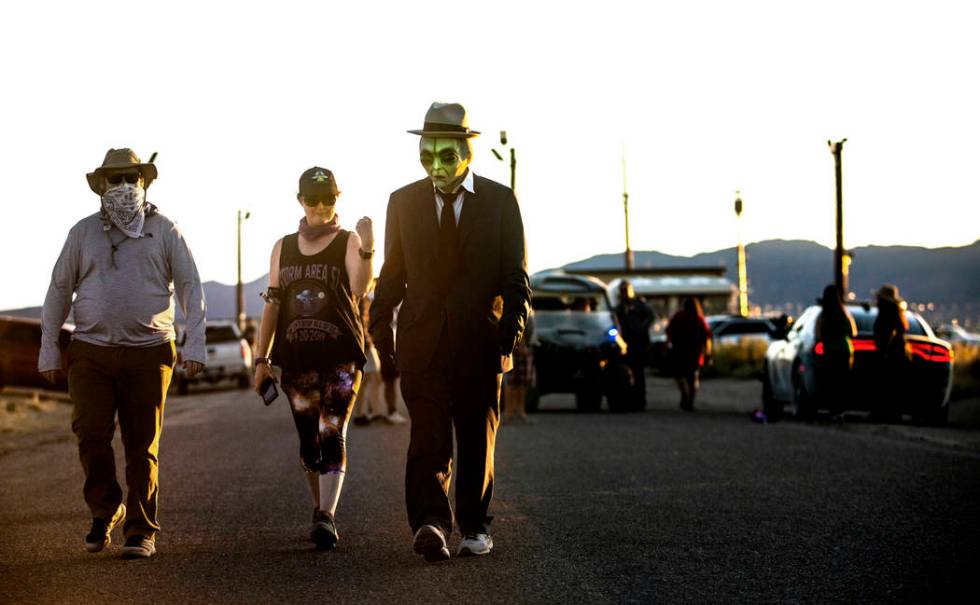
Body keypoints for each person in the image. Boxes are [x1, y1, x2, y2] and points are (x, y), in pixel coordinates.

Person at [369, 102, 530, 562]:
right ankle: (431, 523)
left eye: (445, 155)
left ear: (466, 152)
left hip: (482, 342)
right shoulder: (402, 202)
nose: (435, 166)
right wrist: (381, 334)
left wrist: (509, 335)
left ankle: (475, 527)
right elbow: (393, 274)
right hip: (421, 344)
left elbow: (515, 276)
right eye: (426, 155)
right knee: (428, 438)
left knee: (477, 438)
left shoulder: (500, 201)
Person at [38, 148, 206, 559]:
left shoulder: (166, 230)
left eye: (132, 177)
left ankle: (140, 530)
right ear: (101, 186)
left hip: (149, 353)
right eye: (116, 179)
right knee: (90, 434)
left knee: (141, 445)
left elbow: (190, 287)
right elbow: (59, 289)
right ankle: (106, 507)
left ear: (144, 182)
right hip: (90, 352)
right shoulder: (82, 233)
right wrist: (48, 351)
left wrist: (194, 345)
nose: (125, 186)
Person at [252, 167, 374, 550]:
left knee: (331, 430)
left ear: (337, 198)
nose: (321, 206)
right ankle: (320, 506)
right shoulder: (283, 246)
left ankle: (326, 517)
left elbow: (359, 288)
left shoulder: (349, 241)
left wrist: (368, 247)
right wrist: (260, 359)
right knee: (309, 442)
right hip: (296, 357)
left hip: (340, 356)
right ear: (300, 200)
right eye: (313, 199)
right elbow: (273, 305)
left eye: (329, 199)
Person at [814, 285, 857, 416]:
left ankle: (833, 410)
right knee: (842, 381)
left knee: (831, 381)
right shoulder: (844, 313)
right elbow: (852, 332)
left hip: (830, 352)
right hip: (844, 351)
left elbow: (818, 335)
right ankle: (841, 410)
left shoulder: (823, 315)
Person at [665, 297, 712, 411]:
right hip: (694, 352)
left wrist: (667, 346)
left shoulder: (679, 317)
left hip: (680, 351)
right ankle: (689, 399)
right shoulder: (699, 319)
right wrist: (708, 353)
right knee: (692, 377)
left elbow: (669, 333)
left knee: (679, 376)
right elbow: (707, 337)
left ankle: (685, 394)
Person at [614, 280, 655, 410]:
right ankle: (628, 400)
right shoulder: (619, 307)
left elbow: (651, 316)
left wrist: (641, 328)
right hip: (624, 343)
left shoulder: (639, 305)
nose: (624, 293)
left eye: (626, 290)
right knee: (625, 373)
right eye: (622, 290)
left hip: (638, 343)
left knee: (639, 373)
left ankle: (640, 401)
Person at [872, 284, 909, 421]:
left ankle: (882, 413)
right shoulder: (898, 316)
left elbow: (886, 336)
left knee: (884, 383)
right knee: (894, 384)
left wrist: (883, 352)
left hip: (889, 354)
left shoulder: (886, 315)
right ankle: (894, 413)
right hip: (897, 354)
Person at [352, 291, 383, 425]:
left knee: (370, 378)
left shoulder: (364, 298)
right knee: (365, 380)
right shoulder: (357, 298)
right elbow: (358, 323)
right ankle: (361, 413)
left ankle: (370, 411)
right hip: (363, 344)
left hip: (366, 343)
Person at [502, 310, 535, 424]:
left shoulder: (529, 311)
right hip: (512, 350)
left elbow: (529, 329)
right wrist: (520, 345)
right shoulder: (513, 305)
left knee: (522, 383)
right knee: (511, 383)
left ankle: (520, 412)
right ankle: (509, 413)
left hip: (524, 350)